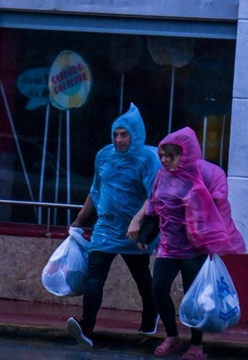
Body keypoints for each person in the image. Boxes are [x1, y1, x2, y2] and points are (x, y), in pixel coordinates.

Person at [136, 127, 246, 360]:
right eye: (162, 155)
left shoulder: (202, 175)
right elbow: (155, 209)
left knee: (195, 297)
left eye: (170, 155)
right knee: (158, 289)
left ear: (183, 154)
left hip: (194, 249)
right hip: (168, 246)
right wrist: (145, 236)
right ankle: (173, 336)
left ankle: (197, 345)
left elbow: (216, 205)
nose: (164, 160)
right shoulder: (161, 177)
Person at [66, 103, 162, 347]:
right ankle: (87, 326)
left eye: (124, 135)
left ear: (135, 135)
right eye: (116, 134)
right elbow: (95, 190)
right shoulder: (103, 156)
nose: (119, 140)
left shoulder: (146, 160)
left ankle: (151, 315)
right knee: (94, 276)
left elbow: (155, 195)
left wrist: (138, 220)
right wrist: (78, 220)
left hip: (133, 231)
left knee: (142, 277)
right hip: (105, 228)